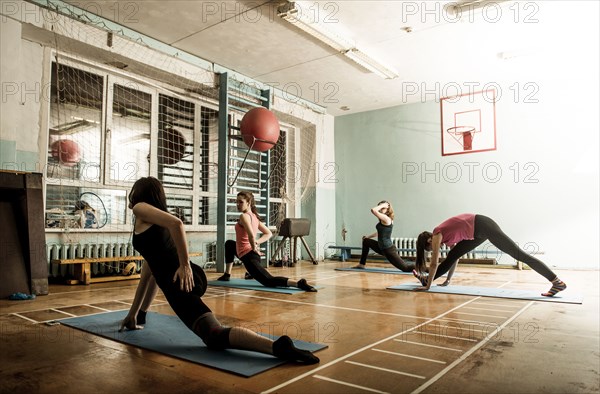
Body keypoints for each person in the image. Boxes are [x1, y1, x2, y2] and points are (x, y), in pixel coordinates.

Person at [119, 177, 319, 364]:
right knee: (212, 335)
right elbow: (150, 271)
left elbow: (176, 223)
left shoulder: (139, 209)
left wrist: (184, 265)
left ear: (141, 194)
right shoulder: (150, 223)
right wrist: (135, 313)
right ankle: (277, 347)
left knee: (213, 335)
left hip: (181, 281)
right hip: (180, 279)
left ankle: (277, 347)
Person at [413, 213, 567, 297]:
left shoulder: (437, 233)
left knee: (519, 255)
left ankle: (556, 281)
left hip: (483, 224)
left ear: (429, 240)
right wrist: (447, 280)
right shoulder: (445, 237)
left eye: (431, 248)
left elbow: (434, 264)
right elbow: (454, 258)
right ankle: (427, 279)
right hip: (477, 232)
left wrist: (428, 287)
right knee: (453, 254)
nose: (434, 249)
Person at [216, 191, 317, 292]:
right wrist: (256, 243)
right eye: (236, 202)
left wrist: (254, 245)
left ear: (249, 202)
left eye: (241, 202)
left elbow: (251, 235)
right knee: (229, 244)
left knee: (269, 281)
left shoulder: (244, 216)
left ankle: (298, 283)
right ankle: (227, 275)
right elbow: (268, 233)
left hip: (249, 257)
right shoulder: (254, 217)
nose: (238, 205)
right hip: (246, 253)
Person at [352, 201, 415, 272]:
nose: (380, 209)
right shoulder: (383, 219)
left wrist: (384, 205)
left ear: (387, 209)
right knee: (366, 241)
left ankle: (425, 268)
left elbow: (373, 210)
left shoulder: (387, 219)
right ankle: (361, 264)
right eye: (380, 207)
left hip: (388, 250)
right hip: (381, 247)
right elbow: (379, 233)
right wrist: (368, 237)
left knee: (406, 268)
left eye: (382, 208)